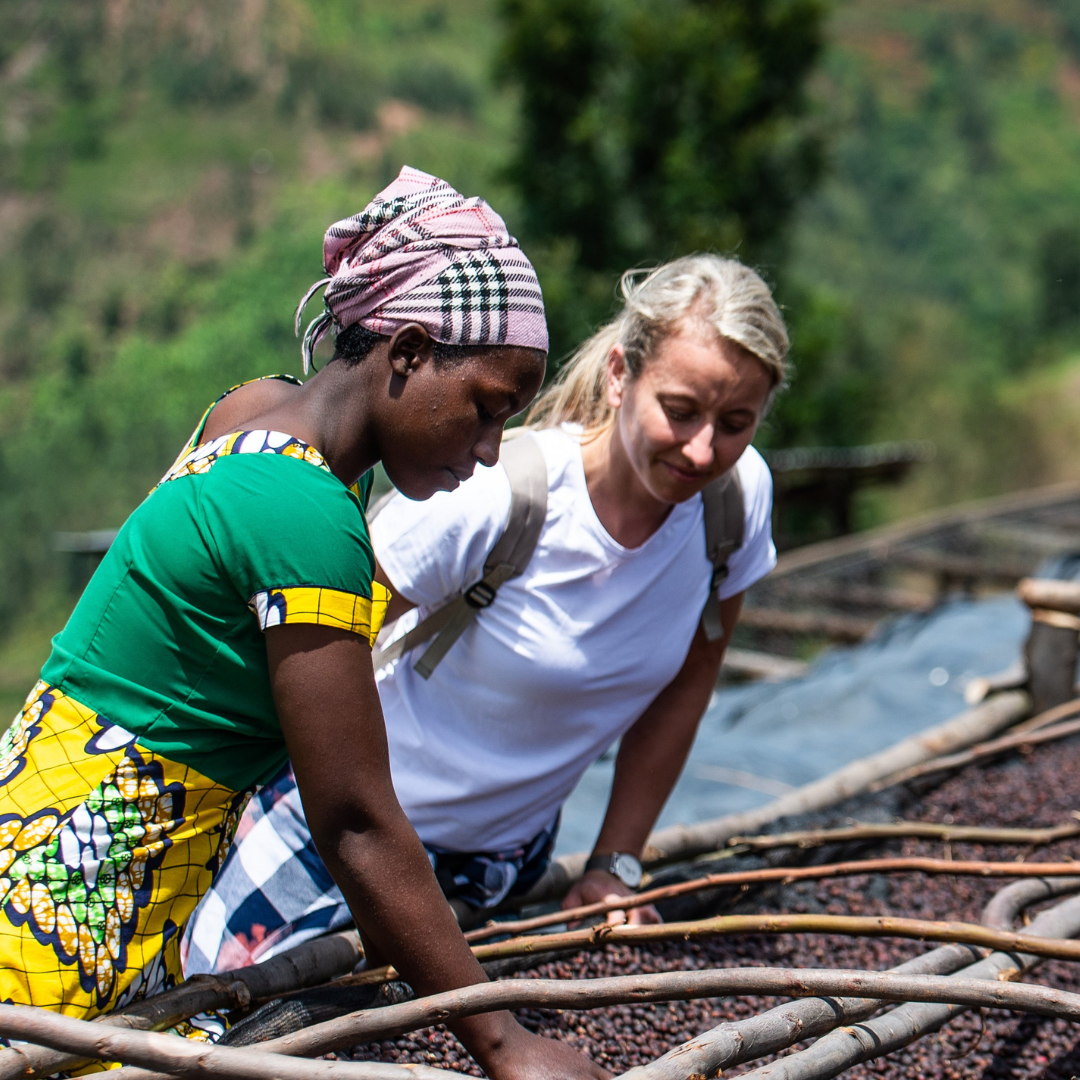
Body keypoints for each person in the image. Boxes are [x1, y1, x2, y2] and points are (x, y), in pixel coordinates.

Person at [0, 165, 608, 1080]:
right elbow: (355, 818)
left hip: (43, 841)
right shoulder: (303, 513)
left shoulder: (255, 413)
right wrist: (502, 1041)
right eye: (486, 409)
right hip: (68, 906)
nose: (488, 452)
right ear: (405, 355)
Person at [183, 253, 789, 974]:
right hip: (336, 837)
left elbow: (690, 679)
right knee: (214, 1009)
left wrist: (616, 863)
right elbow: (297, 652)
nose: (703, 448)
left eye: (735, 423)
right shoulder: (496, 499)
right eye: (681, 411)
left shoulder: (734, 505)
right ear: (621, 375)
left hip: (499, 865)